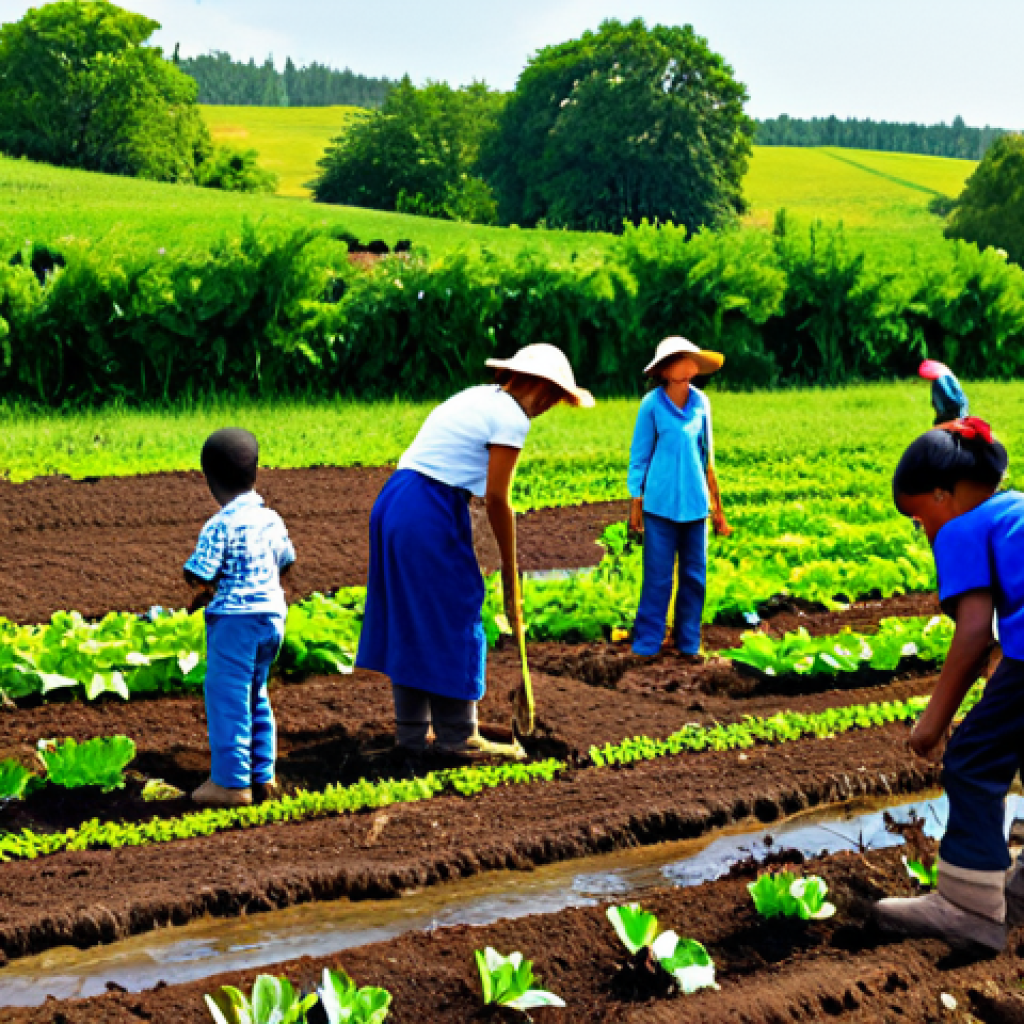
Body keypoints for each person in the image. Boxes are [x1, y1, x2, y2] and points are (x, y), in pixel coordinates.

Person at [356, 344, 593, 760]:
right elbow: (499, 500)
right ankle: (459, 735)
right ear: (543, 390)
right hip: (427, 508)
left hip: (394, 502)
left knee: (411, 615)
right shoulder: (512, 417)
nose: (549, 408)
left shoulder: (477, 397)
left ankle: (412, 736)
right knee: (458, 606)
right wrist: (509, 570)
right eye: (554, 400)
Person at [875, 417, 1024, 952]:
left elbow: (974, 631)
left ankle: (968, 906)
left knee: (973, 761)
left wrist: (933, 724)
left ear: (946, 495)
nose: (924, 530)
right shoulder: (1016, 508)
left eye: (920, 516)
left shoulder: (964, 527)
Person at [184, 428, 296, 809]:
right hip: (271, 618)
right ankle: (263, 775)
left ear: (209, 478)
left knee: (226, 697)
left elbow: (199, 572)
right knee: (256, 694)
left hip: (235, 622)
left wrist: (201, 590)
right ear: (255, 473)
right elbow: (286, 560)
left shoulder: (219, 525)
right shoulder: (272, 519)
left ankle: (231, 784)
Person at [627, 337, 731, 663]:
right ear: (665, 370)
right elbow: (639, 456)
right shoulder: (652, 405)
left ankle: (688, 642)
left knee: (694, 576)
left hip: (696, 504)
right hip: (659, 505)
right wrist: (636, 502)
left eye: (691, 361)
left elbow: (707, 456)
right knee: (658, 576)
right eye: (680, 361)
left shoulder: (702, 403)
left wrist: (718, 510)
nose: (688, 368)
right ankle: (647, 643)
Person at [919, 359, 969, 425]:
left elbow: (949, 396)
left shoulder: (940, 380)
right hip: (957, 408)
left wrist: (948, 415)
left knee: (957, 428)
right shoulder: (945, 376)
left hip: (951, 412)